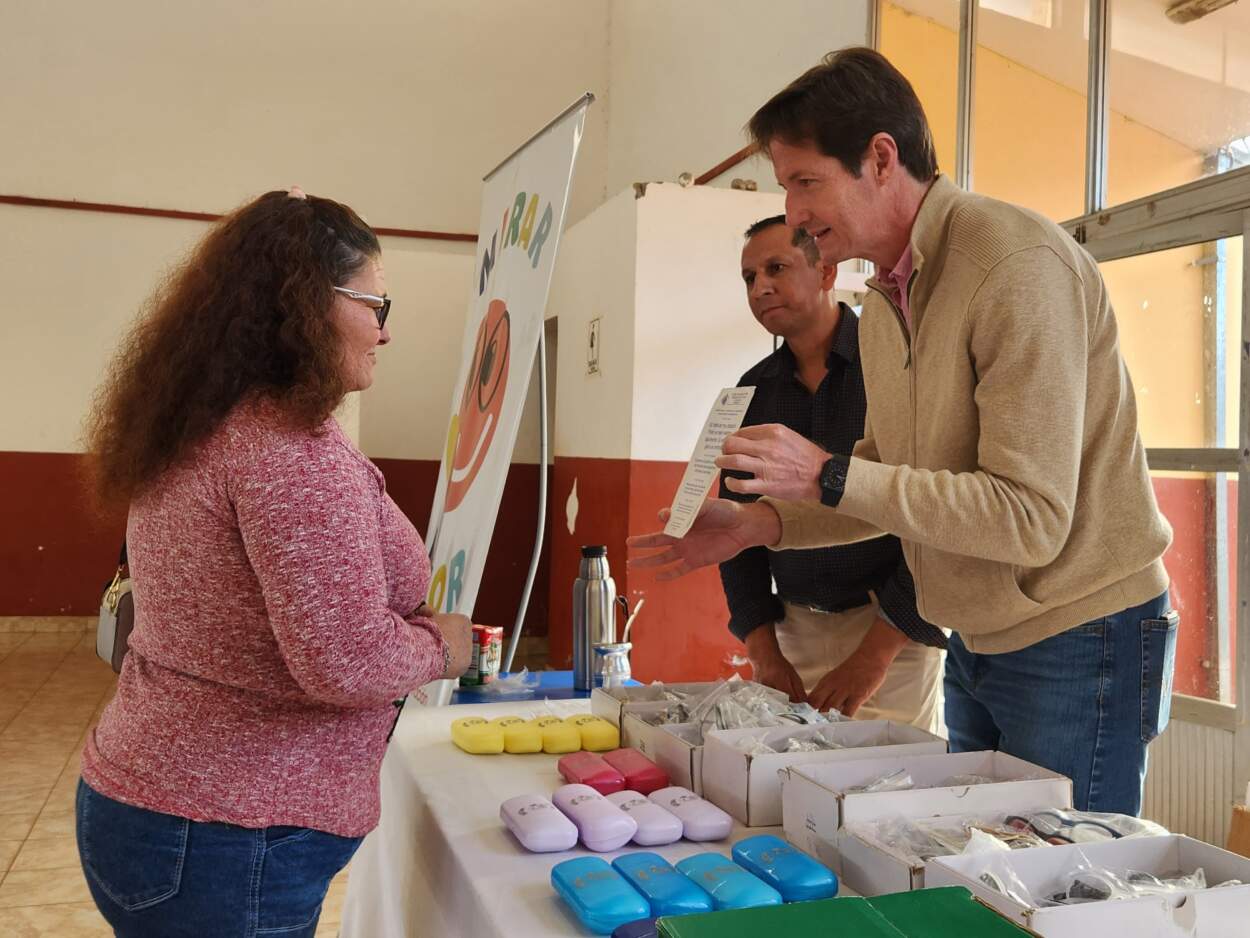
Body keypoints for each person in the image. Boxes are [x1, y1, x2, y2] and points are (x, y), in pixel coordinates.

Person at [630, 48, 1177, 816]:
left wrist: (825, 473)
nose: (794, 212)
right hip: (976, 638)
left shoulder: (1014, 265)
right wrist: (762, 524)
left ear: (881, 159)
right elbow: (885, 479)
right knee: (978, 868)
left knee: (1063, 876)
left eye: (805, 182)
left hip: (1079, 638)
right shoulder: (889, 302)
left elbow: (1030, 517)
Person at [78, 187, 475, 937]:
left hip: (161, 805)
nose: (385, 332)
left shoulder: (205, 422)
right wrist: (443, 646)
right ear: (306, 305)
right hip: (227, 834)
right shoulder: (286, 451)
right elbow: (346, 661)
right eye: (376, 305)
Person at [720, 214, 945, 728]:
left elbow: (927, 514)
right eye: (749, 277)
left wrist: (874, 656)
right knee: (786, 775)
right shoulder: (751, 391)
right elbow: (737, 532)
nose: (759, 288)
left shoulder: (896, 367)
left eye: (776, 268)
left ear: (826, 272)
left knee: (891, 777)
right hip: (790, 633)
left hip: (894, 633)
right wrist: (764, 651)